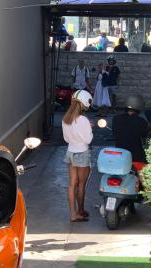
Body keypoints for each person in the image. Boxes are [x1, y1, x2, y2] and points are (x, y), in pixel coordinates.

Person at [62, 90, 93, 222]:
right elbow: (88, 140)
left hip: (70, 152)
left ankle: (73, 214)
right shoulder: (84, 120)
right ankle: (80, 211)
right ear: (84, 104)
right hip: (82, 152)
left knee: (71, 185)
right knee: (81, 185)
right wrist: (89, 129)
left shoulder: (65, 118)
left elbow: (66, 138)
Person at [112, 95, 148, 177]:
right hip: (136, 155)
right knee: (144, 172)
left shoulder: (116, 119)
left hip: (120, 154)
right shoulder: (141, 121)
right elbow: (144, 135)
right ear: (139, 106)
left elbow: (114, 133)